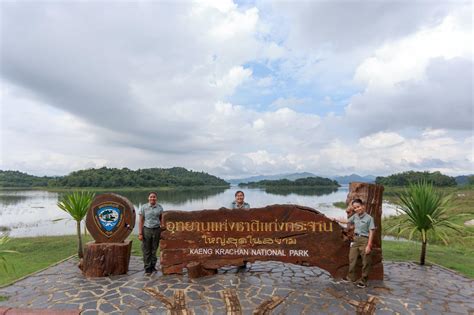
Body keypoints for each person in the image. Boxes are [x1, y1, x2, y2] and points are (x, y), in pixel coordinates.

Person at [337, 199, 375, 288]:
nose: (357, 209)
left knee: (366, 261)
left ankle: (364, 280)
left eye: (358, 207)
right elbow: (347, 221)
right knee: (352, 259)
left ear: (363, 206)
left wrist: (369, 245)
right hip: (355, 240)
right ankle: (351, 278)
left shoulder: (369, 218)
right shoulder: (355, 216)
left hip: (364, 240)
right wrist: (335, 219)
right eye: (355, 208)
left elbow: (371, 232)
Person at [138, 191, 164, 275]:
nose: (152, 198)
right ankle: (147, 267)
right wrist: (140, 233)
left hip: (156, 230)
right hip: (147, 230)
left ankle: (153, 266)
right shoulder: (144, 207)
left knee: (154, 249)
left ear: (156, 198)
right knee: (146, 250)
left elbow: (161, 220)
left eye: (154, 197)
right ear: (148, 198)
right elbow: (141, 221)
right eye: (151, 197)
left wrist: (163, 231)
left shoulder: (159, 207)